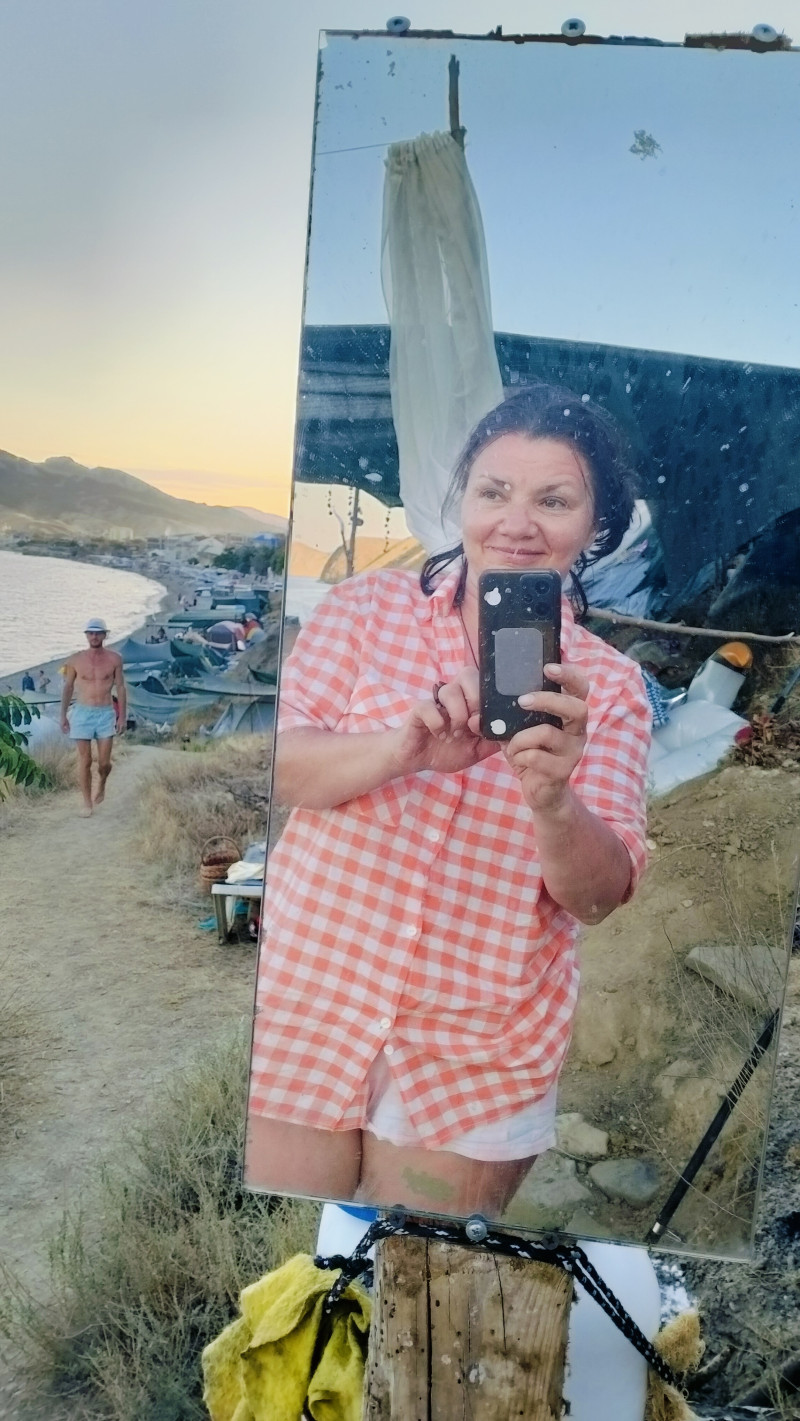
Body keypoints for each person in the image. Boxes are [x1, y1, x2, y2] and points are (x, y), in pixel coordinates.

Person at [245, 384, 652, 1218]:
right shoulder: (364, 611)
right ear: (462, 499)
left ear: (596, 527)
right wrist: (401, 750)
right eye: (493, 491)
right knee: (297, 1260)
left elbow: (599, 895)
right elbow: (279, 768)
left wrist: (553, 799)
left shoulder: (611, 688)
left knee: (421, 1277)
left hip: (479, 1047)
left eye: (554, 500)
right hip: (311, 998)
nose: (516, 522)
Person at [60, 618, 127, 817]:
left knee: (104, 763)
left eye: (98, 633)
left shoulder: (115, 659)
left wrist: (122, 717)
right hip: (82, 713)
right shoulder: (75, 660)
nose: (94, 636)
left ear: (105, 635)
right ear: (86, 635)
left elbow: (120, 687)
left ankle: (102, 783)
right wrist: (63, 715)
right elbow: (68, 687)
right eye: (91, 633)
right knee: (85, 760)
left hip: (105, 713)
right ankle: (87, 802)